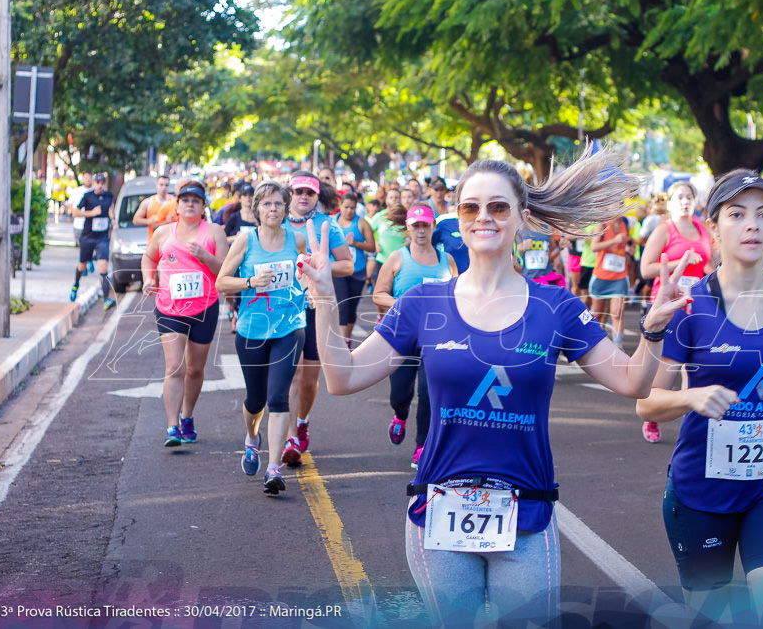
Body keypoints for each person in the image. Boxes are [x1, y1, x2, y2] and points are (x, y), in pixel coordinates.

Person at [296, 145, 690, 626]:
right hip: (438, 511)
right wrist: (321, 299)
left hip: (527, 514)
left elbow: (632, 382)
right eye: (471, 207)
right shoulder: (423, 302)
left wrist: (651, 329)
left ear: (522, 217)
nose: (484, 217)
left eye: (498, 207)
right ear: (457, 218)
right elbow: (343, 377)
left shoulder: (555, 307)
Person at [636, 170, 763, 624]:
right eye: (738, 214)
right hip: (702, 493)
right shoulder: (690, 308)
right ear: (714, 226)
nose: (753, 225)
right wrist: (692, 398)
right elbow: (647, 403)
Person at [216, 181, 307, 495]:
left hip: (290, 326)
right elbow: (221, 282)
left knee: (278, 397)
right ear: (257, 209)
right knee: (255, 401)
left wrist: (307, 283)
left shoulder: (296, 239)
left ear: (286, 208)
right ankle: (252, 439)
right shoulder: (246, 239)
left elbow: (308, 271)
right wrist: (251, 281)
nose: (273, 209)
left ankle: (273, 468)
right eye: (267, 204)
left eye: (279, 204)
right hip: (252, 329)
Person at [141, 181, 229, 446]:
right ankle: (172, 427)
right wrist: (148, 279)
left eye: (195, 200)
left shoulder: (214, 232)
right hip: (170, 308)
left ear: (203, 206)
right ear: (177, 205)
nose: (190, 203)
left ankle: (187, 416)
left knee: (194, 369)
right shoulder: (163, 232)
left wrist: (205, 256)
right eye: (185, 199)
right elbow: (149, 258)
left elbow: (225, 271)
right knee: (174, 366)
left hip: (204, 307)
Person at [374, 205, 457, 467]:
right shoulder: (398, 258)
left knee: (429, 392)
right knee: (401, 393)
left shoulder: (447, 261)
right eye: (416, 226)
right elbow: (378, 294)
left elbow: (458, 296)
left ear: (433, 227)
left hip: (436, 338)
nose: (421, 230)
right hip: (403, 335)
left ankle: (422, 446)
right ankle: (400, 415)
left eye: (425, 225)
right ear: (408, 228)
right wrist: (402, 305)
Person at [282, 174, 353, 464]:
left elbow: (348, 265)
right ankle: (289, 438)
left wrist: (321, 267)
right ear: (290, 194)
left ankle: (302, 420)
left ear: (316, 196)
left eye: (308, 193)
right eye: (297, 191)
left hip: (314, 306)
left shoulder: (327, 225)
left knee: (309, 379)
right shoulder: (276, 220)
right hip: (284, 308)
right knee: (291, 375)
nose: (303, 196)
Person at [639, 182, 714, 442]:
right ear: (670, 202)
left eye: (689, 197)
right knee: (665, 371)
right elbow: (645, 269)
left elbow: (711, 267)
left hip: (698, 306)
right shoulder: (664, 230)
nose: (685, 201)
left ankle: (690, 424)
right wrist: (678, 263)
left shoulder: (703, 230)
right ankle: (652, 414)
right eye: (679, 197)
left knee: (693, 368)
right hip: (669, 306)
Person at [333, 192, 376, 345]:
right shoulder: (333, 222)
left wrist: (356, 243)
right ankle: (342, 344)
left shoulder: (362, 223)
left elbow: (372, 247)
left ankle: (347, 339)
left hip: (357, 271)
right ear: (340, 206)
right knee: (342, 305)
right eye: (346, 207)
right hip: (338, 270)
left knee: (352, 308)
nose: (349, 211)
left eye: (352, 208)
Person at [71, 173, 117, 309]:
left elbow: (110, 209)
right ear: (94, 184)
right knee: (82, 266)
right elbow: (75, 212)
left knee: (103, 267)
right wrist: (91, 213)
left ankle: (106, 299)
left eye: (103, 182)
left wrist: (113, 220)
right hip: (88, 237)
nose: (100, 185)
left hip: (102, 238)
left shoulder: (109, 196)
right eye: (98, 182)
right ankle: (75, 285)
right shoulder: (88, 196)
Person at [589, 215, 632, 347]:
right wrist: (614, 240)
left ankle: (617, 347)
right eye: (616, 202)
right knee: (598, 315)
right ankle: (598, 345)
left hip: (620, 276)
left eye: (621, 203)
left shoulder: (625, 222)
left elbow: (627, 243)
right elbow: (594, 246)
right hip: (601, 276)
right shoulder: (602, 224)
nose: (619, 205)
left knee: (617, 314)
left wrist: (630, 247)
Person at [369, 188, 407, 316]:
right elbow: (368, 230)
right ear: (386, 200)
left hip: (401, 262)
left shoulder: (404, 215)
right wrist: (375, 243)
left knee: (396, 295)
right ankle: (382, 319)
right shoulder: (380, 216)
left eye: (397, 197)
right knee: (381, 294)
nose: (394, 200)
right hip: (383, 260)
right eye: (391, 197)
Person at [131, 174, 173, 243]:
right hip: (153, 243)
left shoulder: (174, 201)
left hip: (170, 243)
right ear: (157, 185)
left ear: (169, 186)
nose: (164, 188)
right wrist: (148, 221)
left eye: (166, 185)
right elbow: (135, 220)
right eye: (161, 185)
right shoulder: (149, 202)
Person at [68, 172, 93, 249]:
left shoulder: (95, 191)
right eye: (86, 178)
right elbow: (69, 204)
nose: (88, 180)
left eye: (89, 178)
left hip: (92, 226)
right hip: (79, 224)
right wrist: (74, 212)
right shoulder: (76, 191)